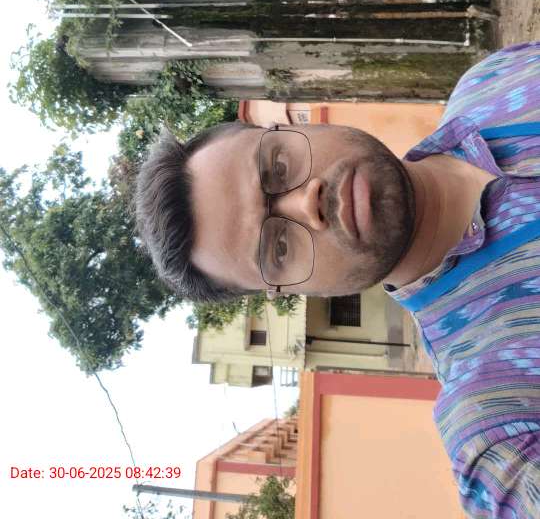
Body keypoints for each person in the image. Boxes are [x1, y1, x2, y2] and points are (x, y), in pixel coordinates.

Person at [136, 41, 540, 519]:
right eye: (277, 247)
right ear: (288, 292)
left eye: (277, 168)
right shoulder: (495, 425)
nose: (306, 203)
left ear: (292, 125)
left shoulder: (494, 81)